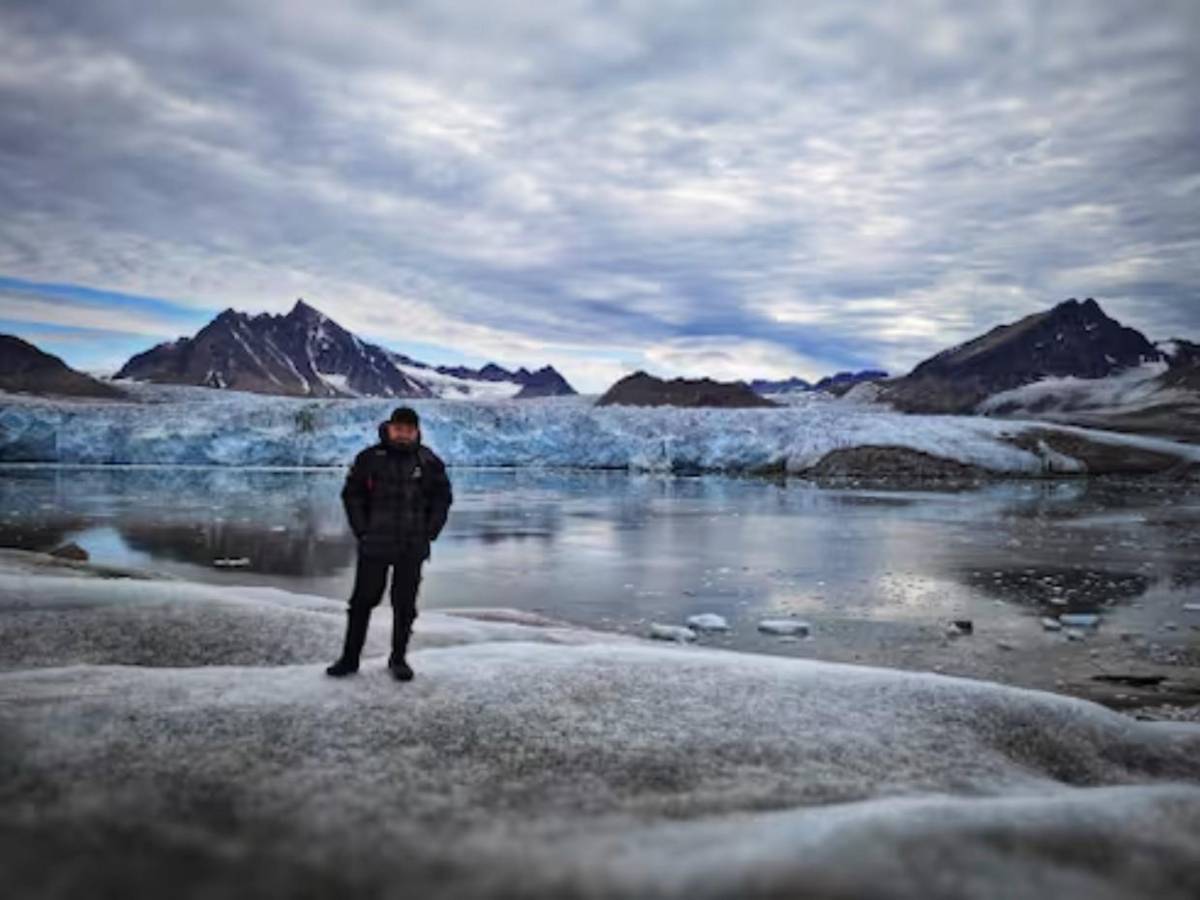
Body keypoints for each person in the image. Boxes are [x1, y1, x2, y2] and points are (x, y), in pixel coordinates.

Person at [326, 406, 453, 681]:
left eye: (409, 429)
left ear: (416, 431)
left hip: (412, 546)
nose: (403, 433)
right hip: (375, 544)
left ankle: (398, 659)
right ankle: (349, 659)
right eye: (399, 428)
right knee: (361, 602)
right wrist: (362, 530)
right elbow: (352, 495)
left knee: (405, 604)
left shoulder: (428, 461)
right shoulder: (369, 458)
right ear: (389, 428)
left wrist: (430, 531)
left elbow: (442, 498)